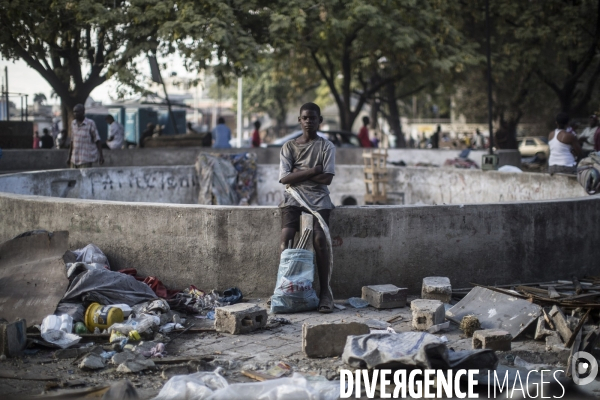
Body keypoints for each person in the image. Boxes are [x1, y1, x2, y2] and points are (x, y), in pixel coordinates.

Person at [279, 102, 335, 313]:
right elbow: (285, 179)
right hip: (293, 198)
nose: (309, 121)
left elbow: (327, 179)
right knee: (286, 241)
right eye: (305, 118)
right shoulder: (289, 147)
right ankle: (283, 290)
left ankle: (325, 293)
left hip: (319, 199)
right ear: (300, 120)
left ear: (320, 121)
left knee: (320, 240)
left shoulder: (326, 147)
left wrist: (298, 173)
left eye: (313, 118)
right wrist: (314, 170)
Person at [67, 104, 104, 168]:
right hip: (74, 159)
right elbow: (72, 141)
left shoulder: (90, 123)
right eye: (74, 112)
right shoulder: (73, 123)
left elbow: (97, 140)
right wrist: (69, 157)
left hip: (85, 159)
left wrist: (101, 155)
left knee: (84, 177)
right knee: (73, 177)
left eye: (77, 112)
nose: (75, 114)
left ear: (83, 112)